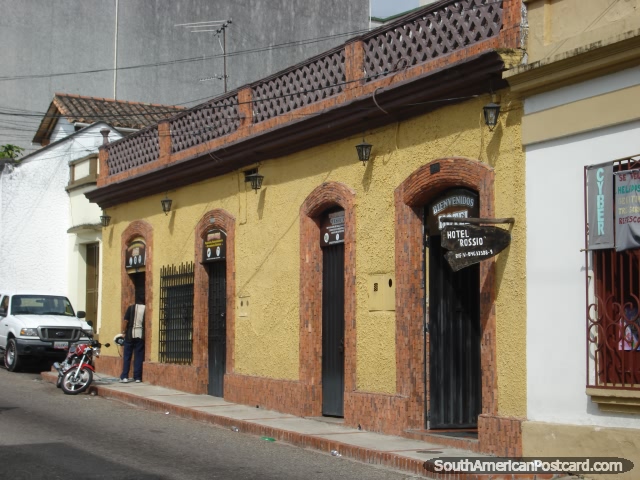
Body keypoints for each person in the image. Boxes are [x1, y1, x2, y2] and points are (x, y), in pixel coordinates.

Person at [120, 290, 145, 383]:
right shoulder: (146, 309)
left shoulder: (131, 308)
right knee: (138, 356)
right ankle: (137, 377)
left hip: (130, 334)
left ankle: (125, 376)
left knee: (127, 356)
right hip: (140, 334)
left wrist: (123, 332)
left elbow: (126, 321)